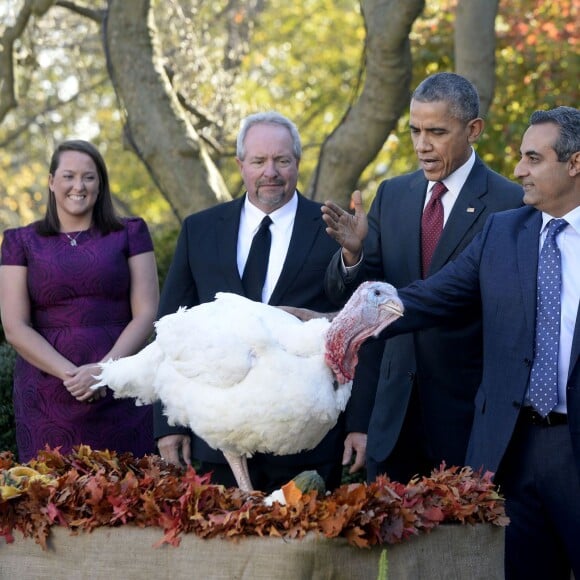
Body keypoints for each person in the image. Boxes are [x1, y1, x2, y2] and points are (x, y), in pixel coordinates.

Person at [323, 106, 580, 578]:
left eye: (532, 158)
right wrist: (343, 323)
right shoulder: (505, 231)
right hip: (513, 450)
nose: (519, 169)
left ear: (575, 163)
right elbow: (429, 298)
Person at [323, 72, 523, 483]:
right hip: (393, 420)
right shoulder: (393, 195)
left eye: (436, 131)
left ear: (473, 130)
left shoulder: (511, 204)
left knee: (462, 547)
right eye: (415, 130)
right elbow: (362, 302)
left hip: (469, 420)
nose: (421, 145)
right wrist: (354, 253)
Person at [153, 111, 363, 493]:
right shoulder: (199, 230)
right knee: (226, 552)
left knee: (305, 552)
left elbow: (357, 332)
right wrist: (169, 423)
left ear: (297, 163)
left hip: (306, 441)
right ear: (240, 165)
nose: (271, 172)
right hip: (222, 441)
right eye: (259, 161)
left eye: (282, 160)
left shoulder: (334, 230)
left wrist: (359, 424)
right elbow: (170, 327)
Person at [0, 139, 159, 462]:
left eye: (89, 177)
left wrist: (104, 371)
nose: (78, 186)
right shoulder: (20, 241)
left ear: (100, 184)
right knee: (52, 499)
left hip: (122, 383)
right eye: (68, 176)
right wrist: (71, 374)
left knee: (133, 495)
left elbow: (147, 312)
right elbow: (15, 326)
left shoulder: (131, 233)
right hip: (47, 392)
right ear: (51, 182)